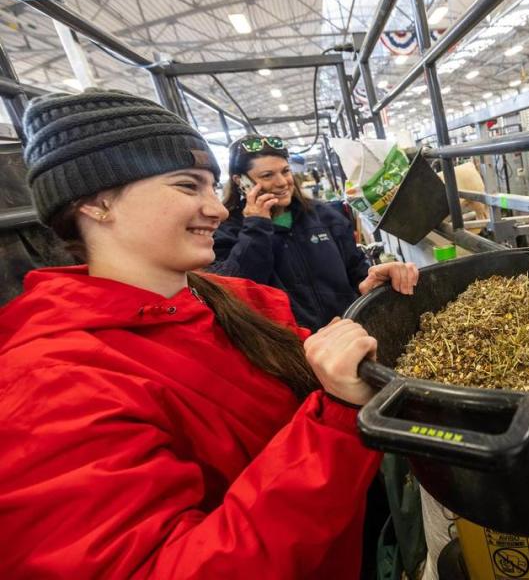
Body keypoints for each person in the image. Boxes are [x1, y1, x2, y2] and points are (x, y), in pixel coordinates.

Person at [0, 90, 381, 577]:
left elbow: (318, 364)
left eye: (211, 187)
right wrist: (335, 420)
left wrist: (373, 310)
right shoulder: (51, 385)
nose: (219, 209)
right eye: (187, 186)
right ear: (96, 203)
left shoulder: (228, 299)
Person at [212, 134, 418, 331]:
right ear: (241, 181)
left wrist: (371, 280)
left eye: (285, 171)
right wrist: (256, 226)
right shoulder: (227, 231)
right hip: (292, 352)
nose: (283, 182)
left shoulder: (325, 216)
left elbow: (356, 271)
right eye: (267, 175)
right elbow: (235, 293)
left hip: (350, 333)